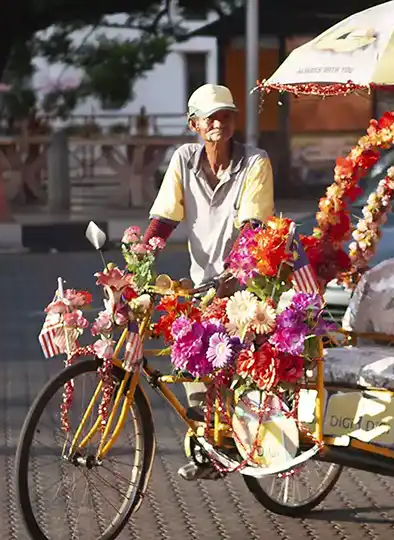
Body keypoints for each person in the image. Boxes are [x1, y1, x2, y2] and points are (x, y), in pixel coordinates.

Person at [142, 83, 274, 480]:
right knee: (189, 352)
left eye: (226, 115)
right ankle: (211, 443)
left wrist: (231, 279)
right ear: (194, 124)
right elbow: (164, 219)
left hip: (246, 283)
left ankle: (234, 438)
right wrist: (139, 265)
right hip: (203, 282)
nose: (219, 123)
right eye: (210, 118)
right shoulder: (184, 159)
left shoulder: (255, 162)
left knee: (232, 362)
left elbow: (253, 229)